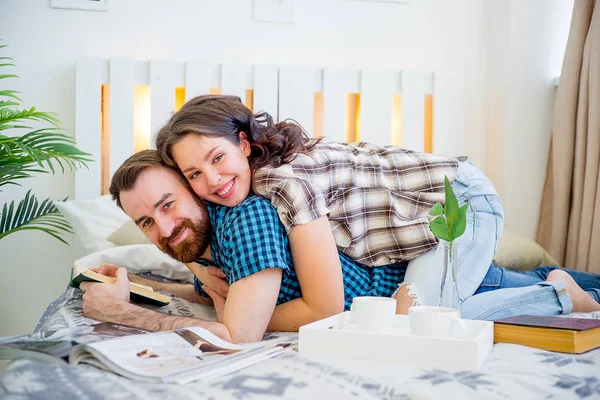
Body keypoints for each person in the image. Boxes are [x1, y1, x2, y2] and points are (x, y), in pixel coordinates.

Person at [80, 151, 600, 344]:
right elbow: (215, 292)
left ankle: (557, 292)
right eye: (146, 221)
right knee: (559, 281)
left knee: (437, 322)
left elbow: (237, 332)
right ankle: (559, 284)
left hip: (420, 267)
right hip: (417, 267)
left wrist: (125, 313)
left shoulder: (244, 216)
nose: (164, 229)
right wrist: (150, 284)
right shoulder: (206, 244)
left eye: (169, 204)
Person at [154, 94, 502, 311]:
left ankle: (556, 293)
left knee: (413, 323)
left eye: (217, 157)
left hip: (458, 198)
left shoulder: (283, 183)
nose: (212, 180)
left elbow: (326, 307)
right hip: (421, 224)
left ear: (244, 144)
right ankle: (536, 280)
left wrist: (248, 314)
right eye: (194, 174)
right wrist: (197, 268)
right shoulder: (234, 190)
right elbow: (193, 241)